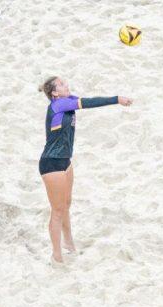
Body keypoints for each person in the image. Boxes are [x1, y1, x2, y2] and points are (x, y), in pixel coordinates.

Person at [37, 76, 132, 263]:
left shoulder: (68, 100)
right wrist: (116, 99)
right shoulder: (59, 105)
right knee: (56, 211)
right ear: (55, 93)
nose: (67, 85)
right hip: (51, 163)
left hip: (65, 161)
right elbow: (88, 102)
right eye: (62, 84)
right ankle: (56, 255)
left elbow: (83, 99)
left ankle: (68, 243)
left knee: (66, 205)